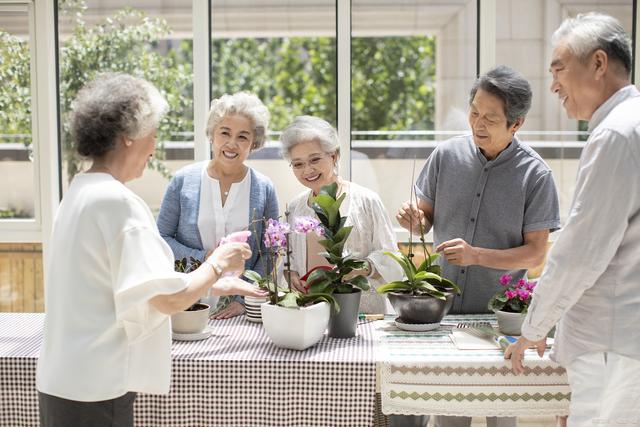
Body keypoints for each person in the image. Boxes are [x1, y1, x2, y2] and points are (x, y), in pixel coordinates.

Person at [36, 74, 265, 427]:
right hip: (97, 389)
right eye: (153, 134)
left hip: (63, 382)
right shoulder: (117, 202)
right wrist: (217, 264)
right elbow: (168, 300)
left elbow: (127, 284)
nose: (155, 146)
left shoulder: (79, 194)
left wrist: (212, 284)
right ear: (130, 136)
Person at [394, 66, 561, 427]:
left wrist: (477, 255)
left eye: (490, 118)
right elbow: (425, 218)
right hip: (443, 315)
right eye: (473, 112)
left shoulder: (536, 175)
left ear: (516, 124)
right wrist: (413, 219)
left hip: (500, 321)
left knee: (502, 416)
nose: (477, 124)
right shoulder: (446, 155)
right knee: (451, 416)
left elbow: (535, 253)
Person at [505, 13, 640, 426]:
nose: (553, 85)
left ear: (598, 64)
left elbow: (583, 250)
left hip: (612, 340)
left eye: (559, 69)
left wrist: (534, 327)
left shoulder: (616, 134)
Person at [157, 92, 279, 319]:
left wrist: (244, 300)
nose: (232, 143)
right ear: (212, 135)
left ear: (254, 143)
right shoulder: (183, 180)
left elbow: (270, 251)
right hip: (187, 305)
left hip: (239, 313)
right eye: (225, 133)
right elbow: (161, 238)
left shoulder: (264, 188)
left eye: (243, 137)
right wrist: (207, 257)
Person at [280, 115, 402, 314]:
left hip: (361, 316)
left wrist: (362, 268)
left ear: (334, 155)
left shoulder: (366, 201)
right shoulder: (295, 207)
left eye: (315, 159)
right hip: (310, 314)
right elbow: (289, 259)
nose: (308, 170)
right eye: (298, 164)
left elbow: (392, 258)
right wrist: (290, 274)